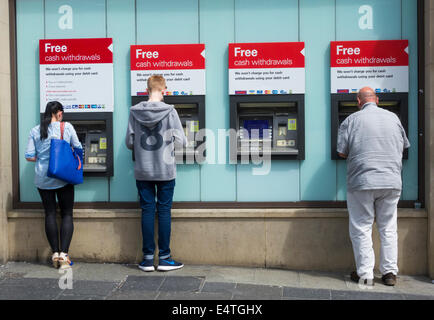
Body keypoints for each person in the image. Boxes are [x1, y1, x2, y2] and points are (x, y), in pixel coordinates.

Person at [337, 87, 410, 286]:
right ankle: (389, 273)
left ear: (358, 102)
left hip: (363, 181)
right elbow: (404, 146)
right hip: (391, 181)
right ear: (377, 100)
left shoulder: (351, 120)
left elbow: (342, 152)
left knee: (361, 227)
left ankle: (366, 274)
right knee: (388, 228)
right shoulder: (393, 118)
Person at [125, 75, 187, 272]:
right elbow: (182, 142)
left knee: (147, 211)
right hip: (165, 171)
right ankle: (165, 258)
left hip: (143, 171)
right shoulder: (170, 112)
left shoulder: (134, 112)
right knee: (164, 211)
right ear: (164, 90)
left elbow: (129, 142)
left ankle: (147, 259)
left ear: (146, 90)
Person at [25, 101, 82, 269]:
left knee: (49, 214)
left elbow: (29, 156)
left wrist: (44, 160)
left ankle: (55, 254)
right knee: (66, 214)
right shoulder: (67, 127)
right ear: (58, 113)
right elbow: (78, 147)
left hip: (43, 178)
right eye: (61, 114)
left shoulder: (35, 130)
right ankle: (64, 256)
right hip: (64, 177)